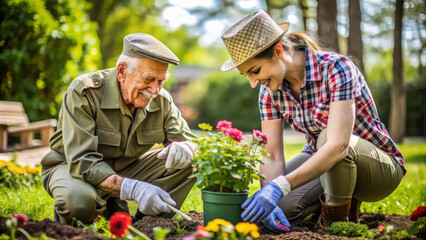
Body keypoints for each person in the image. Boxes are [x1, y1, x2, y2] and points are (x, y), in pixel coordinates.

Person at [220, 10, 405, 233]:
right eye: (246, 75)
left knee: (329, 138)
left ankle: (337, 224)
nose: (252, 82)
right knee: (281, 206)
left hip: (378, 169)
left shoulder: (337, 68)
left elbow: (338, 145)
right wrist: (271, 194)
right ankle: (338, 198)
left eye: (255, 71)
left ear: (278, 51)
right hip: (325, 158)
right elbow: (272, 154)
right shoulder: (268, 92)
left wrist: (282, 185)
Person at [41, 33, 197, 224]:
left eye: (161, 81)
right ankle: (78, 217)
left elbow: (191, 145)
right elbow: (82, 161)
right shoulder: (84, 92)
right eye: (149, 79)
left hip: (125, 170)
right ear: (122, 71)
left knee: (188, 161)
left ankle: (147, 225)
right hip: (73, 167)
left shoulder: (161, 100)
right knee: (80, 203)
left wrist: (186, 147)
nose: (155, 90)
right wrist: (133, 189)